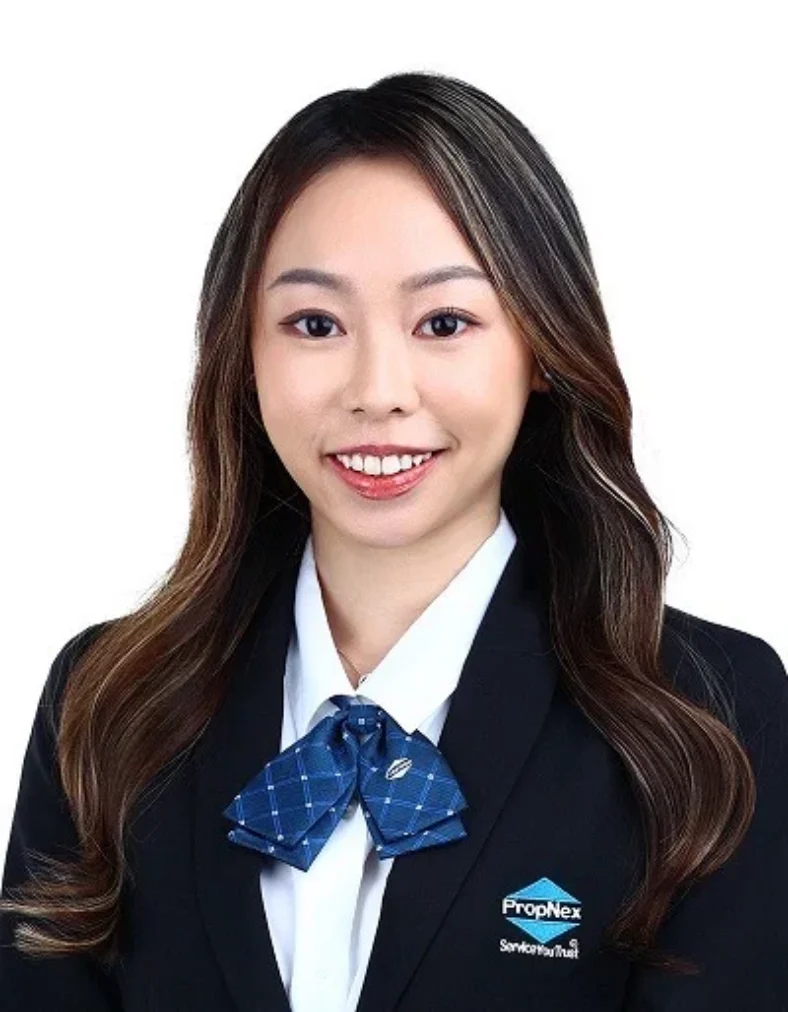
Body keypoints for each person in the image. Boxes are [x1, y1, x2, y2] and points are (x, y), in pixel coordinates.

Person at [1, 70, 786, 1012]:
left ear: (541, 348)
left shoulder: (707, 715)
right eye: (315, 324)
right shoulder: (107, 703)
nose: (378, 391)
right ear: (243, 355)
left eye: (444, 322)